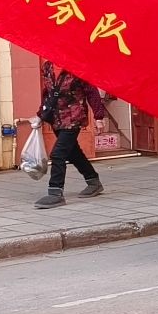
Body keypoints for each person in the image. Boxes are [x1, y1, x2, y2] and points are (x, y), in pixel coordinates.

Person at [34, 60, 113, 209]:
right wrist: (40, 115)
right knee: (73, 153)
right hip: (56, 118)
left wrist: (99, 117)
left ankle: (55, 192)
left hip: (73, 117)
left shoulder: (78, 66)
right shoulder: (48, 67)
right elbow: (48, 94)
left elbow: (91, 92)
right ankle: (93, 181)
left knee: (58, 154)